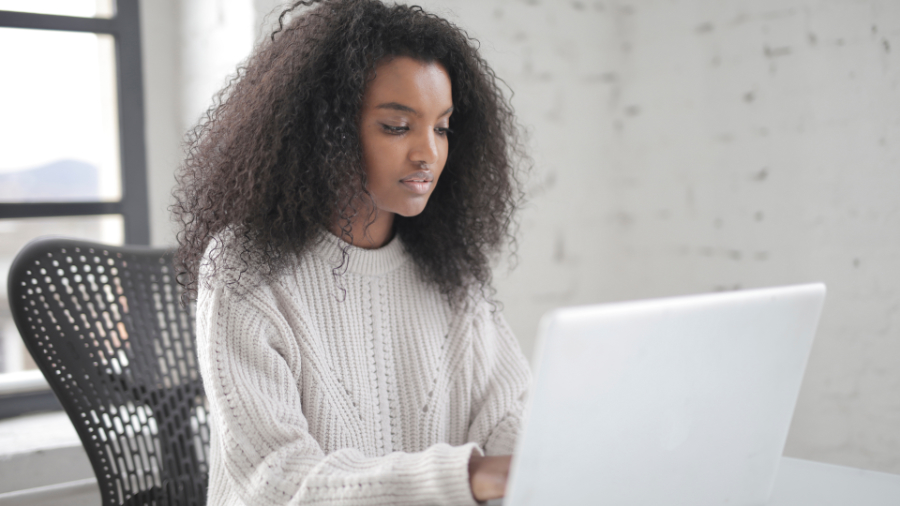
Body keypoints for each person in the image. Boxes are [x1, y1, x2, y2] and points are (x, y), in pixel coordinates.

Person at [172, 0, 531, 504]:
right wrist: (467, 477)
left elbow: (511, 415)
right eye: (397, 126)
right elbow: (275, 479)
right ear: (325, 134)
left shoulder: (449, 272)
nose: (428, 152)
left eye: (442, 127)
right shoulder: (244, 268)